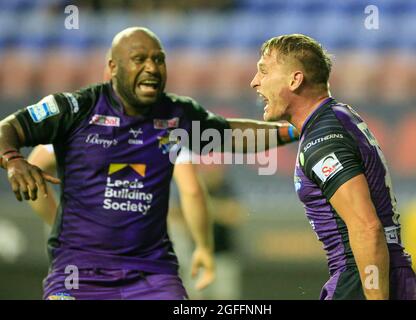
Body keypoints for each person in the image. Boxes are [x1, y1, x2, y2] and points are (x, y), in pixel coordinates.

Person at [0, 27, 298, 300]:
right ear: (113, 68)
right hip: (78, 274)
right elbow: (7, 130)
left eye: (159, 59)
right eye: (139, 59)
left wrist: (295, 128)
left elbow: (229, 136)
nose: (152, 68)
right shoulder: (75, 110)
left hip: (152, 276)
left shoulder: (176, 115)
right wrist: (13, 160)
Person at [250, 34, 416, 300]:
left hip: (362, 277)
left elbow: (366, 227)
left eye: (263, 71)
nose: (255, 82)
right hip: (386, 270)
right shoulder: (337, 116)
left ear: (295, 80)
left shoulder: (323, 139)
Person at [27, 144, 214, 293]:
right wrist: (203, 246)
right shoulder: (168, 130)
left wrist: (59, 222)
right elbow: (192, 191)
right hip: (143, 257)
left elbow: (35, 166)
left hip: (80, 251)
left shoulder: (79, 120)